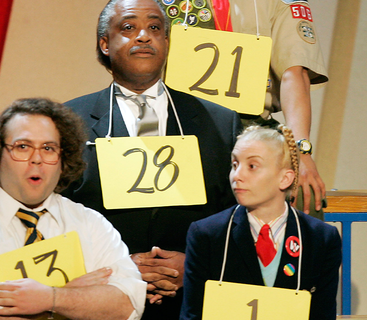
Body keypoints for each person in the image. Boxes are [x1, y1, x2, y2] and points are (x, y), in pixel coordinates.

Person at [61, 0, 241, 318]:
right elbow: (54, 219)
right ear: (105, 43)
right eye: (129, 27)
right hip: (103, 302)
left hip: (192, 301)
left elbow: (237, 218)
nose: (144, 36)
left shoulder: (220, 122)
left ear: (168, 42)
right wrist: (117, 267)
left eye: (155, 27)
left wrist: (196, 262)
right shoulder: (67, 121)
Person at [0, 98, 146, 319]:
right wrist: (72, 297)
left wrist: (51, 298)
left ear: (62, 158)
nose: (36, 159)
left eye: (48, 148)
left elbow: (127, 306)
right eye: (23, 147)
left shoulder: (91, 224)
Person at [166, 0, 329, 215]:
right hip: (177, 124)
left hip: (251, 126)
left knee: (299, 189)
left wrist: (301, 151)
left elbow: (294, 71)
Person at [180, 125, 341, 320]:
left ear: (285, 178)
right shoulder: (207, 234)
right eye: (234, 165)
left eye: (252, 166)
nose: (237, 176)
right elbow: (192, 314)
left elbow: (322, 314)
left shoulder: (321, 239)